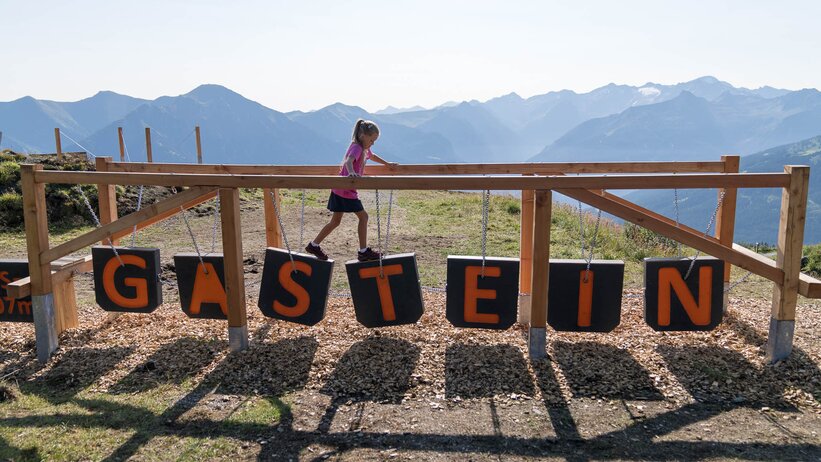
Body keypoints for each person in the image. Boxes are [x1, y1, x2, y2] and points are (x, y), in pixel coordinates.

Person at [305, 119, 397, 261]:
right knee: (364, 217)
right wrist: (351, 172)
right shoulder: (357, 147)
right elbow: (349, 160)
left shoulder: (364, 148)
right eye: (372, 140)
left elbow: (372, 156)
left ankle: (314, 245)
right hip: (346, 190)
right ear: (363, 136)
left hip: (339, 189)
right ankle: (363, 251)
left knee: (335, 222)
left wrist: (387, 164)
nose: (373, 143)